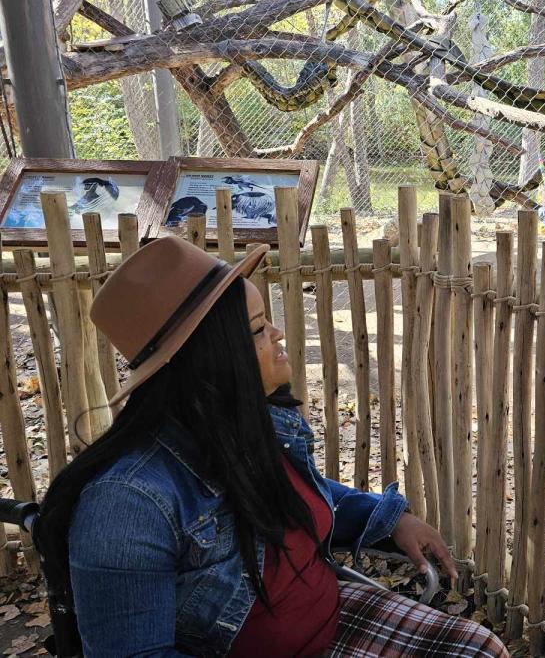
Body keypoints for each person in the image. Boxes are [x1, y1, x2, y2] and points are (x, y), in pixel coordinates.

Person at [35, 237, 508, 657]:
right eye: (260, 329)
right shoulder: (126, 506)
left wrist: (387, 518)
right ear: (211, 356)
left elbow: (294, 497)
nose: (278, 336)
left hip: (333, 617)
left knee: (482, 646)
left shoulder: (251, 425)